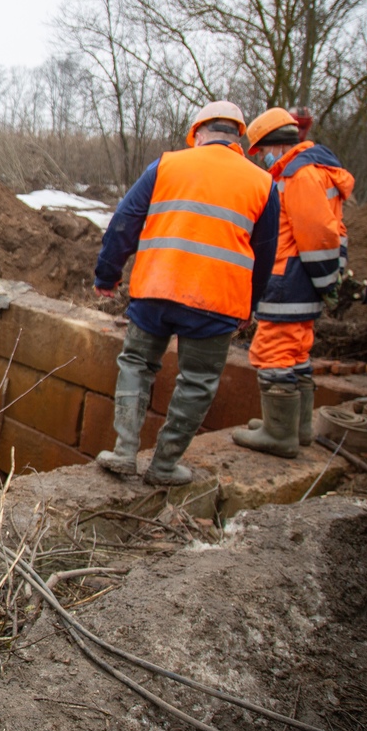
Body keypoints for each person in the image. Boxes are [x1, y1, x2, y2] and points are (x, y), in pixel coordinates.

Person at [94, 101, 280, 486]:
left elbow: (124, 224)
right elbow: (264, 255)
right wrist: (251, 306)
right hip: (216, 302)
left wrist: (107, 276)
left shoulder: (166, 165)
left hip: (156, 291)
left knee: (136, 364)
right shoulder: (263, 183)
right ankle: (163, 467)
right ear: (239, 139)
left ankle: (125, 451)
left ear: (197, 133)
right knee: (197, 382)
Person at [232, 108, 354, 457]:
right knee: (296, 351)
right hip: (303, 279)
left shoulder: (300, 175)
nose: (265, 159)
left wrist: (324, 280)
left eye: (265, 151)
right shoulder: (317, 172)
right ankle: (297, 428)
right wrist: (329, 281)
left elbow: (317, 235)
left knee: (272, 350)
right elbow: (334, 232)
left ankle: (279, 433)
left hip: (290, 279)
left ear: (277, 145)